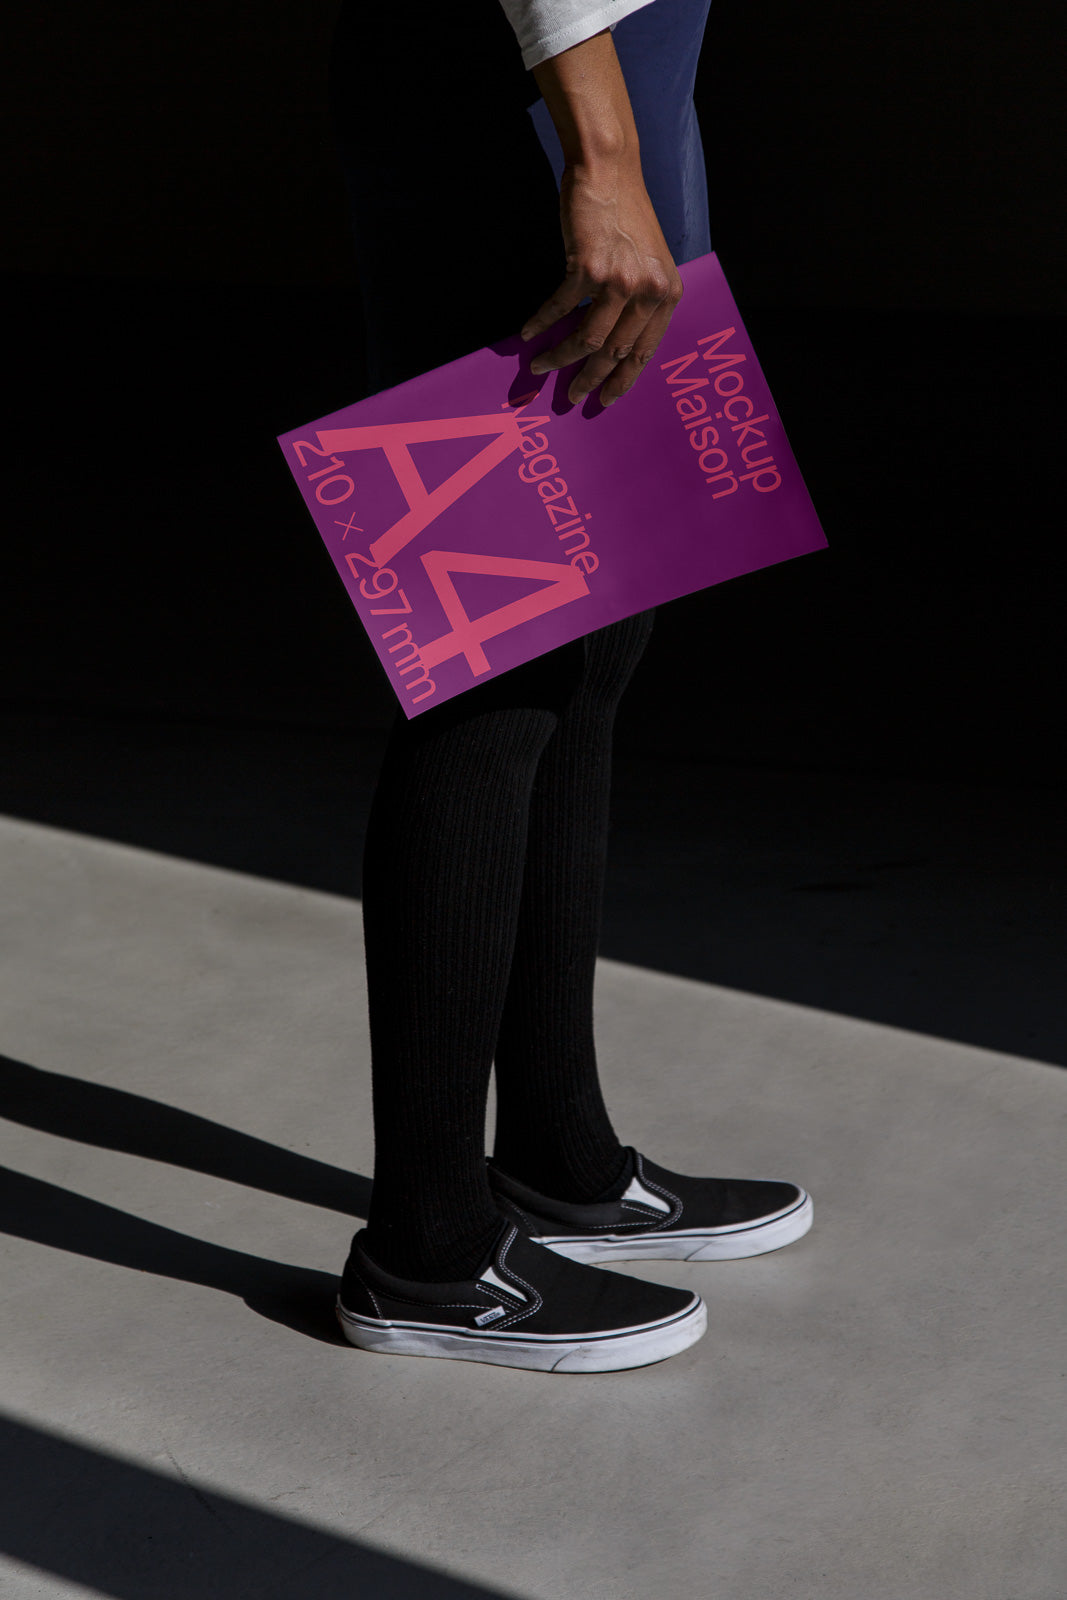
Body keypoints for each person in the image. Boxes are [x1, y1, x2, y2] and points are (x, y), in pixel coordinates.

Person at [327, 0, 812, 1373]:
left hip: (621, 80)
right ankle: (426, 1245)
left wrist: (632, 134)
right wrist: (599, 153)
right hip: (519, 102)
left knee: (601, 637)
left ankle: (557, 1156)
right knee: (497, 665)